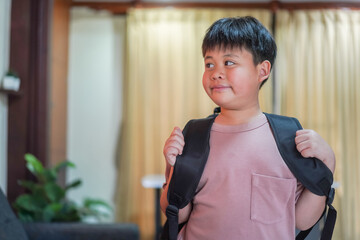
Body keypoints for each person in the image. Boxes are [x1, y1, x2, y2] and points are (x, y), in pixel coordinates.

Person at [160, 16, 335, 239]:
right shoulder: (194, 135)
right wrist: (172, 167)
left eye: (229, 62)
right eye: (209, 64)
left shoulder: (288, 137)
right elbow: (176, 213)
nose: (216, 72)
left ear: (262, 71)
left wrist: (328, 162)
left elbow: (302, 219)